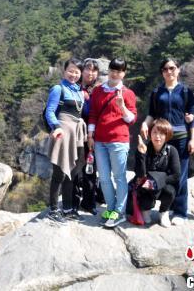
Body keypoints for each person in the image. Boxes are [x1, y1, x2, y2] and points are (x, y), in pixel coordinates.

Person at [140, 58, 194, 225]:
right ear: (162, 72)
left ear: (178, 70)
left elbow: (193, 118)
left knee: (181, 175)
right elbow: (151, 114)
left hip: (181, 139)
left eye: (172, 68)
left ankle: (180, 211)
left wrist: (193, 138)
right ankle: (166, 207)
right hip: (161, 140)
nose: (169, 71)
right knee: (160, 173)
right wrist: (145, 123)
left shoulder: (186, 92)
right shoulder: (157, 92)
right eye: (165, 69)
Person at [87, 58, 137, 228]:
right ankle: (110, 208)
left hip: (118, 141)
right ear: (108, 70)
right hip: (100, 141)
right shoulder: (98, 91)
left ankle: (120, 211)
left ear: (124, 73)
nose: (115, 74)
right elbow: (93, 114)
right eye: (113, 70)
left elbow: (131, 119)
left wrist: (122, 106)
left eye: (119, 71)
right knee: (104, 178)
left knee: (120, 177)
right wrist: (90, 135)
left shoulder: (127, 93)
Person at [45, 58, 87, 223]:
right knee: (59, 173)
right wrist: (56, 127)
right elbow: (50, 111)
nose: (73, 74)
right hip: (62, 134)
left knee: (73, 172)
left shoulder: (79, 91)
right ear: (64, 71)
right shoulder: (58, 88)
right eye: (71, 70)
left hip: (77, 134)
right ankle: (54, 208)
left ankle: (68, 208)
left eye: (77, 72)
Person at [128, 119, 180, 228]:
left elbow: (176, 175)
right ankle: (145, 210)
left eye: (161, 133)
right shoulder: (144, 148)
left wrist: (156, 182)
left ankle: (163, 213)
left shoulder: (172, 151)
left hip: (162, 186)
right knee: (145, 205)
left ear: (167, 135)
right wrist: (141, 154)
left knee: (170, 191)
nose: (158, 136)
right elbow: (140, 174)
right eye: (155, 132)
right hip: (146, 188)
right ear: (150, 133)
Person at [76, 58, 101, 215]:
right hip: (75, 134)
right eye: (88, 69)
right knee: (73, 169)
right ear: (82, 71)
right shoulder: (74, 88)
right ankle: (72, 200)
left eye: (94, 70)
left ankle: (89, 202)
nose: (90, 73)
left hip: (93, 136)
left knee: (90, 169)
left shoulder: (99, 91)